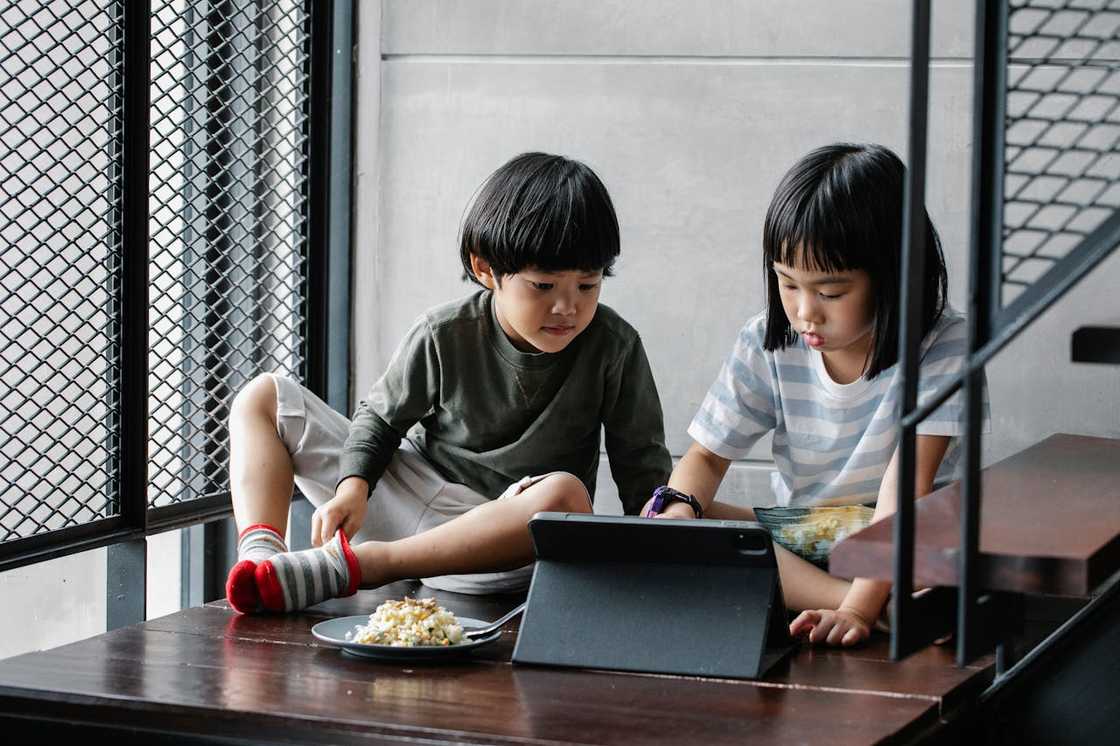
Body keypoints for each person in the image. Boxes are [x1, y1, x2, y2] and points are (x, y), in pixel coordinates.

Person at [224, 152, 671, 613]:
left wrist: (660, 553)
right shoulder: (443, 332)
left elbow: (644, 469)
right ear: (485, 270)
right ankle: (261, 563)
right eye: (543, 286)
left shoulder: (614, 347)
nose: (567, 307)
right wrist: (353, 488)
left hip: (495, 542)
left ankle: (361, 566)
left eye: (588, 285)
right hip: (405, 504)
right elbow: (379, 421)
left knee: (566, 497)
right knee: (264, 397)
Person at [644, 143, 988, 646]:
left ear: (893, 277)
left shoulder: (945, 346)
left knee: (945, 561)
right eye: (787, 284)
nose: (805, 312)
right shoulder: (767, 339)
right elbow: (705, 459)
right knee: (680, 516)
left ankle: (863, 599)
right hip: (811, 536)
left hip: (909, 538)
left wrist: (858, 609)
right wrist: (678, 515)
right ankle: (865, 604)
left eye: (830, 293)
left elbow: (904, 495)